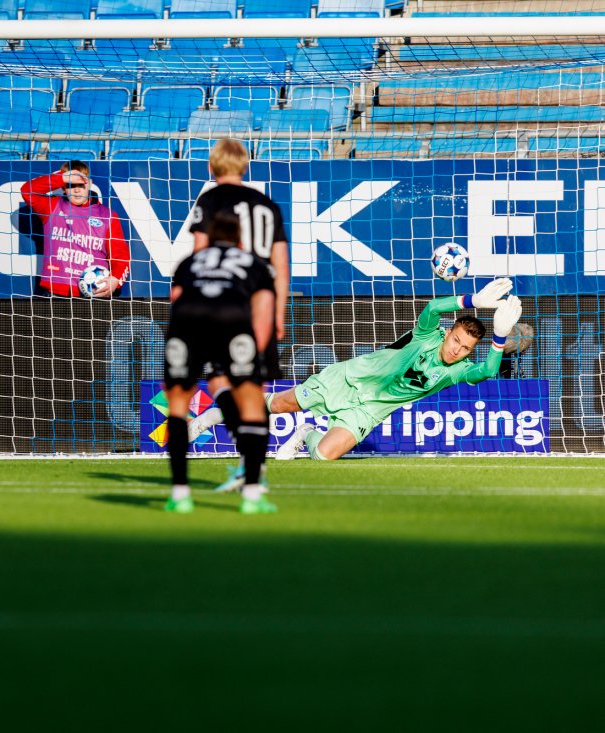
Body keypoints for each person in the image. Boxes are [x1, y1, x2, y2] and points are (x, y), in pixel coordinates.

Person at [271, 278, 523, 461]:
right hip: (349, 380)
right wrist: (474, 300)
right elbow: (433, 307)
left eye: (466, 348)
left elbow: (487, 371)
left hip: (370, 410)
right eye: (456, 340)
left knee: (324, 455)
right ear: (447, 333)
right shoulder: (426, 335)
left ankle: (306, 433)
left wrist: (500, 335)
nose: (457, 350)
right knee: (277, 405)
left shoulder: (457, 370)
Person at [183, 138, 290, 492]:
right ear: (245, 165)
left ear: (211, 166)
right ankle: (252, 468)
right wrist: (278, 313)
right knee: (253, 388)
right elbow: (281, 265)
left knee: (219, 382)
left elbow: (200, 256)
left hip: (225, 301)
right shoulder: (267, 206)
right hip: (262, 303)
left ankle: (246, 456)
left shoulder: (210, 200)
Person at [163, 212, 277, 515]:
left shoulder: (189, 262)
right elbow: (263, 308)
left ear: (210, 238)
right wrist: (256, 354)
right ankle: (252, 495)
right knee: (252, 404)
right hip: (232, 321)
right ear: (240, 240)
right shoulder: (254, 263)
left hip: (187, 323)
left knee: (178, 404)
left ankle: (180, 495)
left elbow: (176, 298)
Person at [21, 160, 130, 297]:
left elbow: (120, 254)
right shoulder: (51, 207)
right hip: (54, 292)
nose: (77, 190)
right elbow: (27, 190)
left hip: (95, 292)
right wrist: (62, 177)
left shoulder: (107, 216)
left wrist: (115, 279)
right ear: (63, 187)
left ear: (89, 184)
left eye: (81, 185)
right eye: (71, 185)